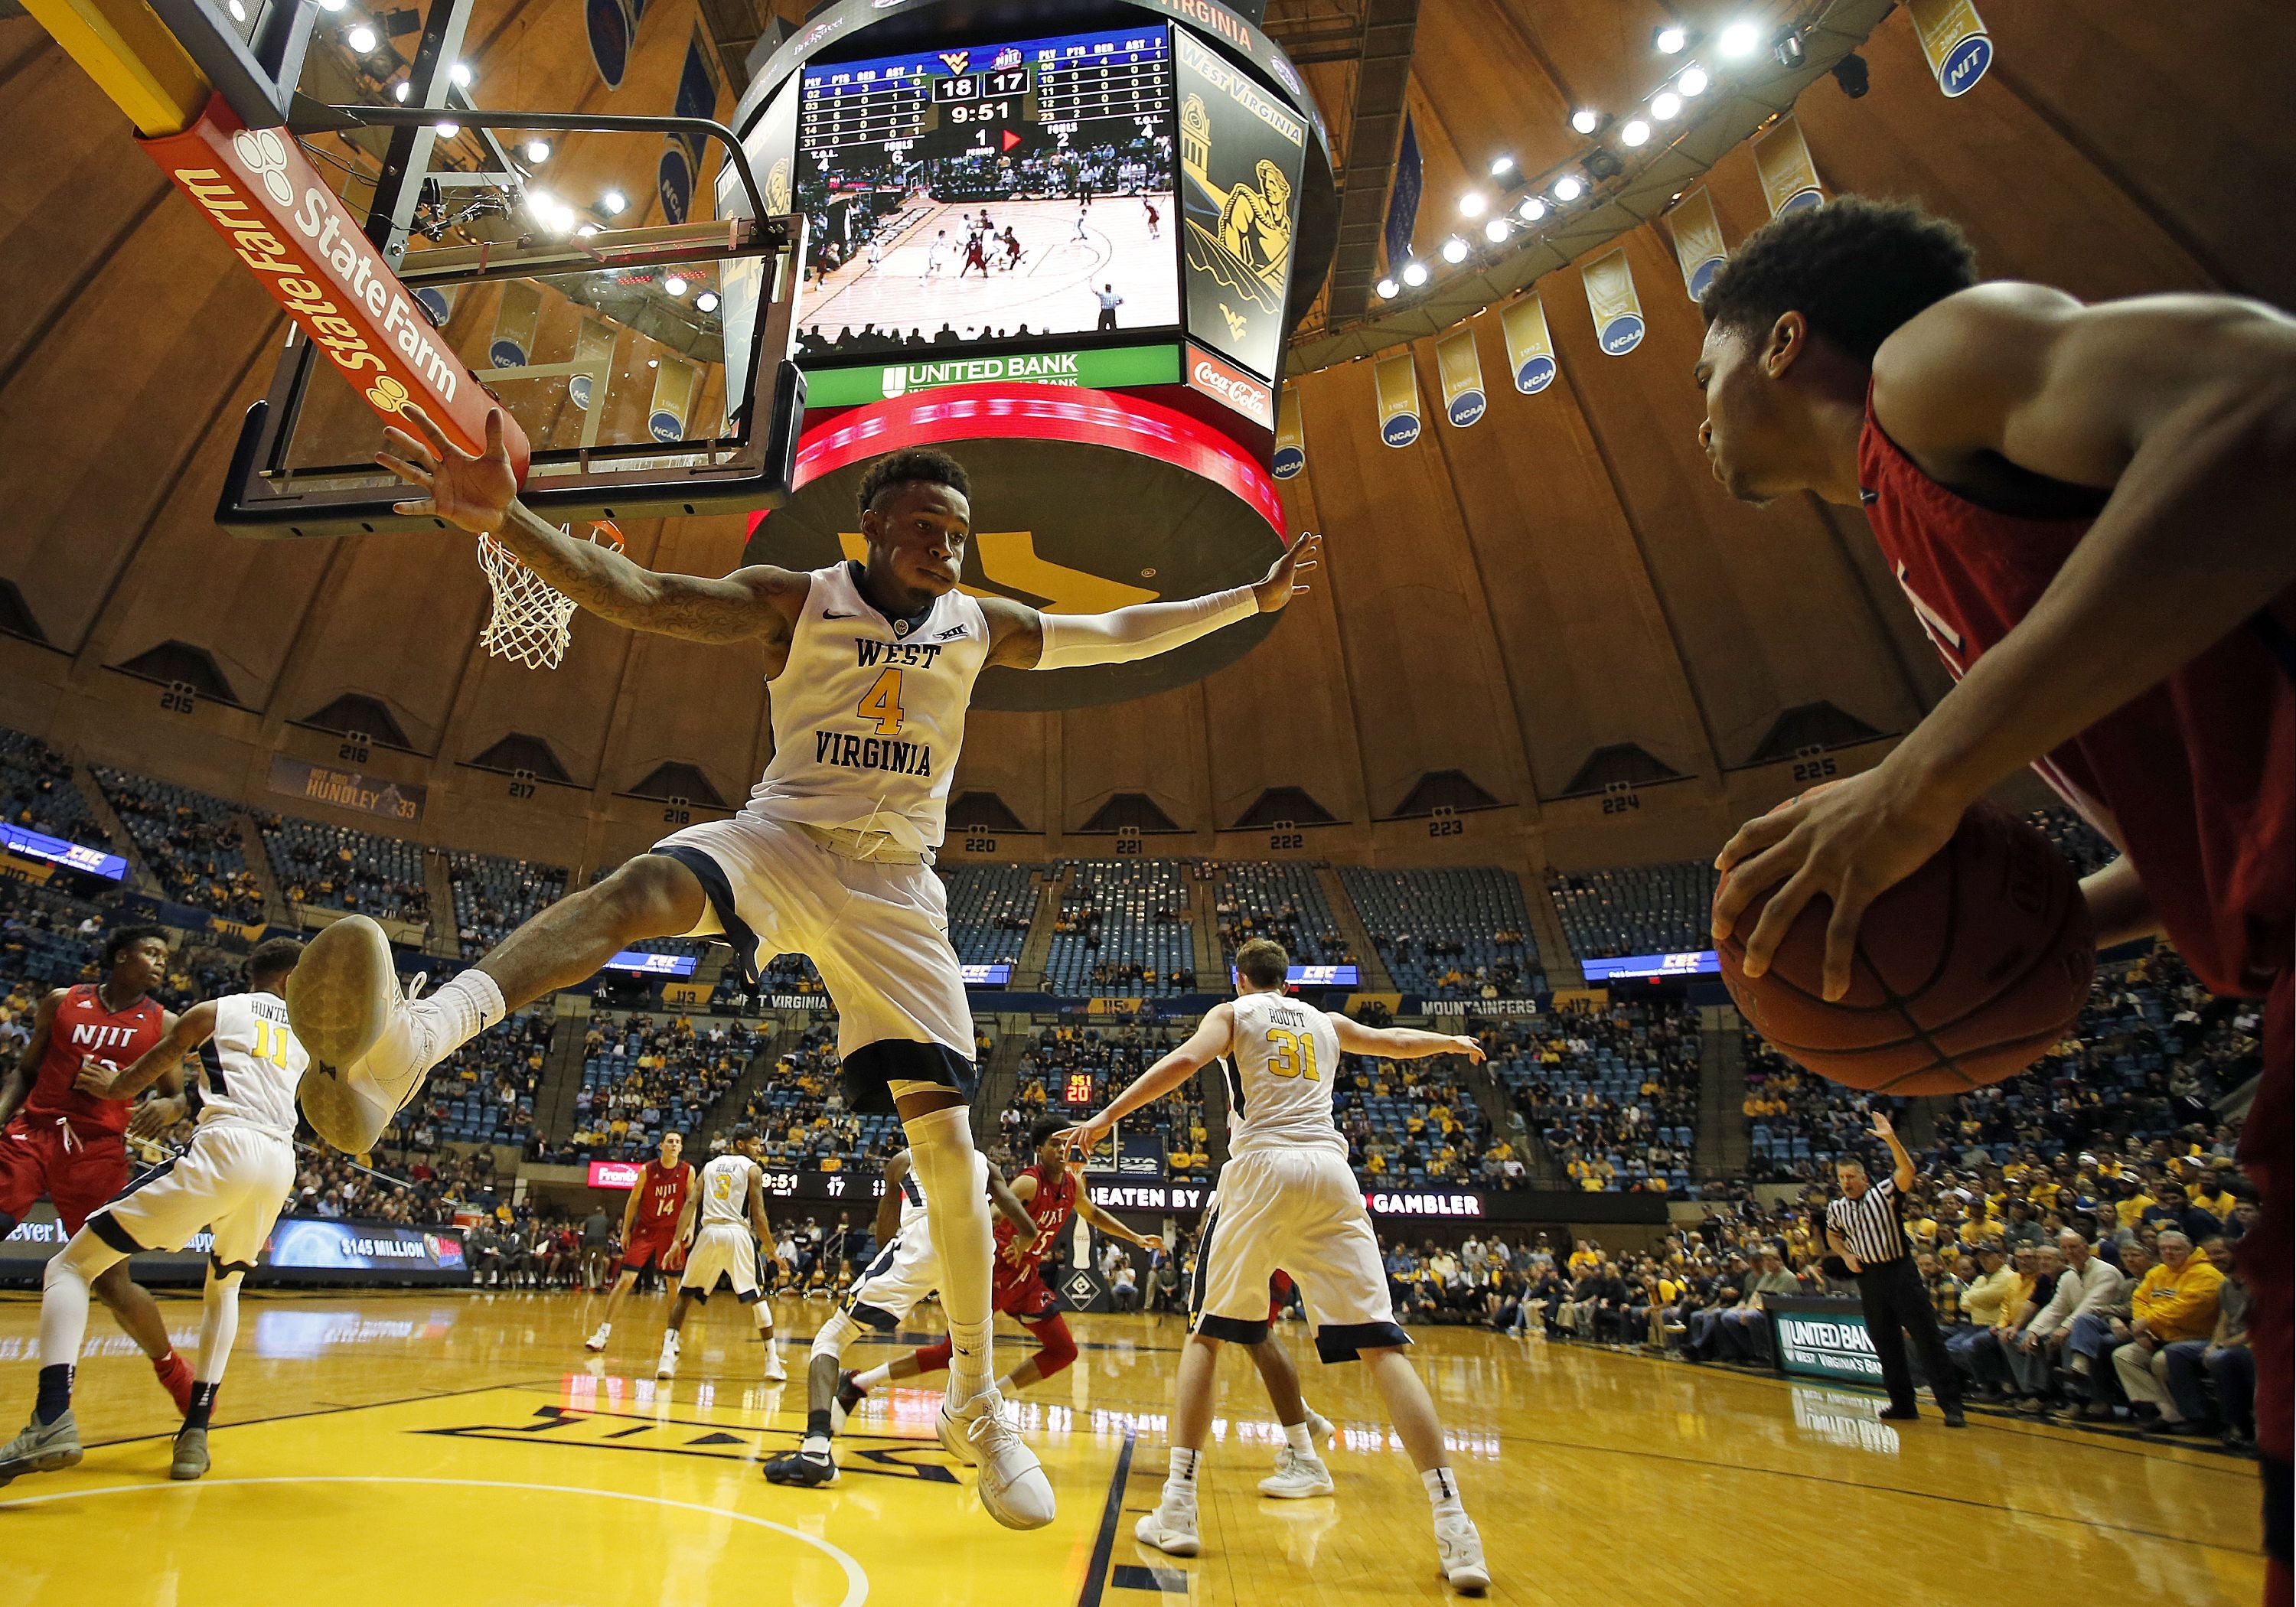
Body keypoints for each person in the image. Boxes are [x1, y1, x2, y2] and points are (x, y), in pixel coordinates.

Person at [318, 408, 1317, 1530]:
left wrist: (1250, 599)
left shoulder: (978, 624)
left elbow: (1124, 630)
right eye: (925, 523)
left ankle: (979, 1404)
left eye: (959, 529)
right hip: (785, 840)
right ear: (872, 524)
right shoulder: (798, 599)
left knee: (947, 1149)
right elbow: (641, 595)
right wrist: (513, 526)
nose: (946, 543)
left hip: (898, 890)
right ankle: (413, 1044)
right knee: (636, 893)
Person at [1694, 196, 2290, 1572]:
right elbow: (2221, 801)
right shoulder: (1923, 526)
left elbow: (2268, 396)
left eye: (1703, 370)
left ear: (1787, 341)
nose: (1701, 412)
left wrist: (1919, 783)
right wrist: (2066, 928)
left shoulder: (1933, 368)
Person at [1060, 937, 1491, 1593]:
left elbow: (1183, 1062)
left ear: (1240, 978)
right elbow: (1395, 1041)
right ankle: (1456, 1526)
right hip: (1332, 1173)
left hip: (1263, 1169)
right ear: (1286, 981)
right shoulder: (1324, 1021)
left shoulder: (1234, 1015)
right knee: (1383, 1347)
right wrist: (1449, 1042)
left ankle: (1177, 1507)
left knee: (1208, 1333)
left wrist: (1105, 1116)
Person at [0, 940, 306, 1485]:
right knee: (226, 1287)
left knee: (70, 1267)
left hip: (224, 1148)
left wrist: (114, 1086)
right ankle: (195, 1433)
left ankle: (51, 1417)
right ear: (287, 982)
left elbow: (146, 1074)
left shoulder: (211, 1012)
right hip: (279, 1164)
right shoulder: (314, 1035)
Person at [0, 925, 193, 1417]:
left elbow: (178, 1097)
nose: (160, 962)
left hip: (97, 1150)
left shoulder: (165, 1022)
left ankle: (172, 1370)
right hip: (34, 1133)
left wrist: (165, 1111)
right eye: (151, 953)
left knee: (111, 1283)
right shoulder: (63, 1001)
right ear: (121, 956)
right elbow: (25, 1071)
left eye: (164, 957)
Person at [763, 1142, 1035, 1488]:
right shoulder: (981, 1159)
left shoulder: (904, 1159)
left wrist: (888, 1266)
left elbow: (886, 1221)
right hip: (977, 1248)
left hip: (922, 1241)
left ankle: (816, 1451)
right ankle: (984, 1446)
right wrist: (1023, 1242)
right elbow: (1024, 1223)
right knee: (969, 1355)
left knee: (832, 1336)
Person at [846, 1119, 1163, 1407]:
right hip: (992, 1271)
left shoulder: (1072, 1185)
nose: (1062, 1149)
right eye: (1054, 1143)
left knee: (1064, 1350)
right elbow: (993, 1214)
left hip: (1025, 1278)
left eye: (1065, 1142)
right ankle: (862, 1382)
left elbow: (1093, 1214)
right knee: (950, 1353)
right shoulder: (1029, 1182)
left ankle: (993, 1398)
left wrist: (1135, 1237)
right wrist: (1019, 1238)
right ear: (1039, 1150)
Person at [1824, 1111, 1966, 1427]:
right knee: (1884, 1342)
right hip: (1869, 1278)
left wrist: (1890, 1138)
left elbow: (1907, 1170)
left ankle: (1951, 1405)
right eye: (1841, 1178)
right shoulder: (1836, 1208)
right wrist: (1846, 1254)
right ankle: (1903, 1404)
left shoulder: (1884, 1193)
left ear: (1864, 1177)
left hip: (1900, 1272)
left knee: (1926, 1338)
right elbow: (1832, 1234)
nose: (1846, 1182)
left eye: (1851, 1177)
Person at [654, 1126, 784, 1382]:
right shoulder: (752, 1169)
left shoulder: (710, 1167)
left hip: (709, 1233)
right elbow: (758, 1214)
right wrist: (772, 1252)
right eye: (756, 1144)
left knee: (685, 1294)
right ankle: (773, 1362)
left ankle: (667, 1356)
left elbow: (690, 1204)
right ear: (740, 1144)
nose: (760, 1149)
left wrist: (676, 1243)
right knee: (757, 1297)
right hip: (737, 1233)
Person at [586, 1130, 694, 1351]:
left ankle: (672, 1335)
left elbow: (691, 1202)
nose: (674, 1145)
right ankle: (603, 1332)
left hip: (672, 1232)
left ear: (681, 1148)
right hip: (646, 1230)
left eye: (677, 1142)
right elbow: (633, 1200)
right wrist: (626, 1231)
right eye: (670, 1141)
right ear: (662, 1145)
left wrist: (691, 1227)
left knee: (673, 1283)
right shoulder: (647, 1170)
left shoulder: (687, 1171)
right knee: (626, 1279)